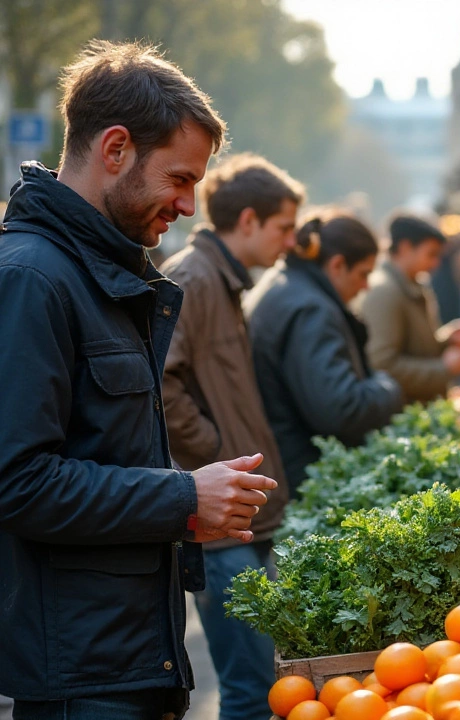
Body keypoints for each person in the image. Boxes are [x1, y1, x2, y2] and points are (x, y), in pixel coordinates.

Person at [0, 41, 276, 718]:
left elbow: (98, 457)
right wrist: (182, 497)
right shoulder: (32, 278)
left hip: (125, 660)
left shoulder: (102, 273)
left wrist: (186, 513)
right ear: (115, 149)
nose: (187, 206)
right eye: (179, 180)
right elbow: (18, 481)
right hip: (82, 678)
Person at [160, 153, 303, 720]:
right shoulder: (192, 279)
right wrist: (216, 451)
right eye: (283, 228)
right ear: (248, 221)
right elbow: (160, 385)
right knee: (248, 695)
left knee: (258, 687)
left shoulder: (223, 281)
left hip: (240, 517)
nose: (290, 242)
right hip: (219, 528)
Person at [245, 211, 403, 491]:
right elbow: (341, 409)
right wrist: (387, 388)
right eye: (364, 274)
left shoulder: (285, 283)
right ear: (337, 265)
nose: (366, 286)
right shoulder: (311, 309)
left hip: (282, 465)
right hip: (305, 477)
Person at [360, 215, 460, 403]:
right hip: (406, 418)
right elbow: (382, 365)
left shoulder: (411, 284)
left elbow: (415, 348)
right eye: (431, 254)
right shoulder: (384, 291)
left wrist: (447, 339)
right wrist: (444, 369)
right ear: (406, 248)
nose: (435, 263)